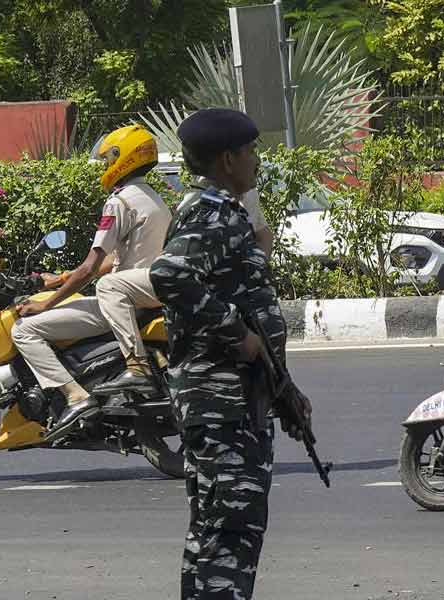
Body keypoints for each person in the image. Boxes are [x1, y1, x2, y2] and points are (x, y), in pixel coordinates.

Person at [149, 108, 299, 600]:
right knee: (230, 531)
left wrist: (284, 390)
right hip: (220, 401)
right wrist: (237, 332)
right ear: (228, 159)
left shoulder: (221, 210)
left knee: (215, 529)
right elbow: (170, 275)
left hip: (233, 398)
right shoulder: (210, 211)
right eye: (251, 151)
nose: (257, 160)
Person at [11, 125, 171, 436]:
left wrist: (45, 303)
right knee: (100, 288)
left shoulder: (120, 202)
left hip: (125, 299)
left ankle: (75, 396)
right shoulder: (153, 198)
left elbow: (91, 267)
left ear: (122, 158)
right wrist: (59, 279)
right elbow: (113, 260)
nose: (105, 166)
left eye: (108, 159)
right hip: (145, 292)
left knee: (24, 330)